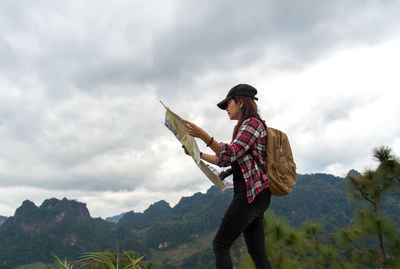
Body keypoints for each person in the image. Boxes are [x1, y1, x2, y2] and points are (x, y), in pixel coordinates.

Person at [183, 84, 272, 269]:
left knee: (220, 245)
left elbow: (231, 153)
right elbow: (225, 160)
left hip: (250, 194)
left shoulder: (252, 124)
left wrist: (204, 136)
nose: (226, 109)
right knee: (257, 253)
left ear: (240, 102)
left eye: (228, 104)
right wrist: (197, 154)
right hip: (257, 194)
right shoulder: (244, 127)